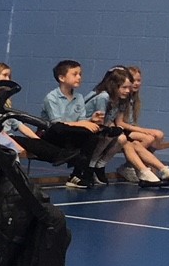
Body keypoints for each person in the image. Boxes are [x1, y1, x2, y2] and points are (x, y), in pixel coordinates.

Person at [43, 60, 116, 188]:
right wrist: (84, 124)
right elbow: (57, 123)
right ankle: (82, 170)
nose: (79, 77)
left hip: (72, 133)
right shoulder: (51, 97)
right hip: (53, 135)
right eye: (75, 74)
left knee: (92, 135)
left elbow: (81, 121)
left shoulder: (79, 97)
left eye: (80, 74)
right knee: (73, 130)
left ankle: (78, 174)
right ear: (62, 78)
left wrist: (91, 119)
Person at [92, 67, 169, 187]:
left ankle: (158, 169)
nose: (136, 84)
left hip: (121, 130)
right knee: (142, 140)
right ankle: (133, 167)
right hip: (116, 130)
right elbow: (119, 123)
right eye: (134, 81)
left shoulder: (130, 98)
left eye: (139, 80)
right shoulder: (109, 97)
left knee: (152, 137)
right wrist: (145, 131)